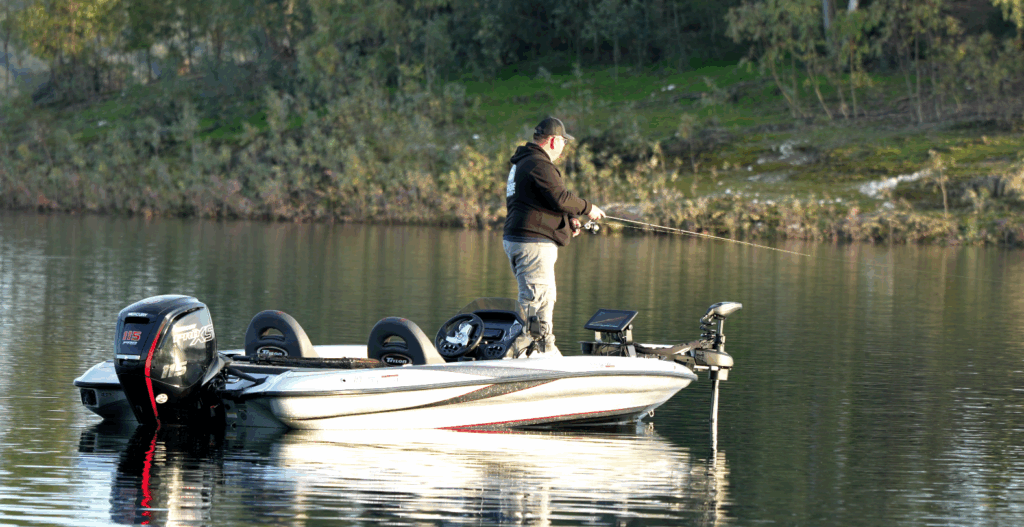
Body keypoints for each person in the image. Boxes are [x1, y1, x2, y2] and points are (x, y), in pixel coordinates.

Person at [503, 117, 606, 357]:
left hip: (524, 239)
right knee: (536, 299)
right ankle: (517, 353)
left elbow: (541, 200)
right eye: (563, 141)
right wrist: (588, 207)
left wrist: (568, 219)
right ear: (552, 140)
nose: (563, 146)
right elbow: (560, 197)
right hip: (533, 243)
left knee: (543, 297)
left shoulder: (525, 163)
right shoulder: (539, 164)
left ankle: (543, 350)